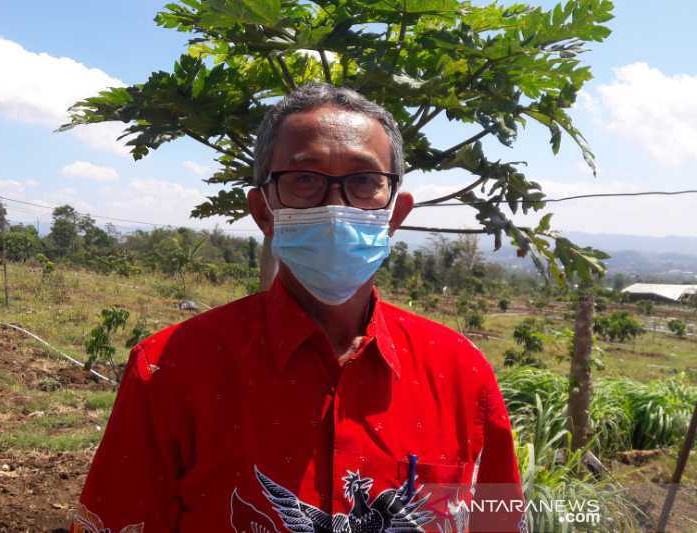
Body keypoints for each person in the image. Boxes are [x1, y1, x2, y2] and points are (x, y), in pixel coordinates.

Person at [71, 83, 526, 533]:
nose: (335, 205)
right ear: (263, 211)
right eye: (305, 179)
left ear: (396, 213)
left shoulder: (461, 373)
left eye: (365, 181)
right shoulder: (169, 370)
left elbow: (496, 521)